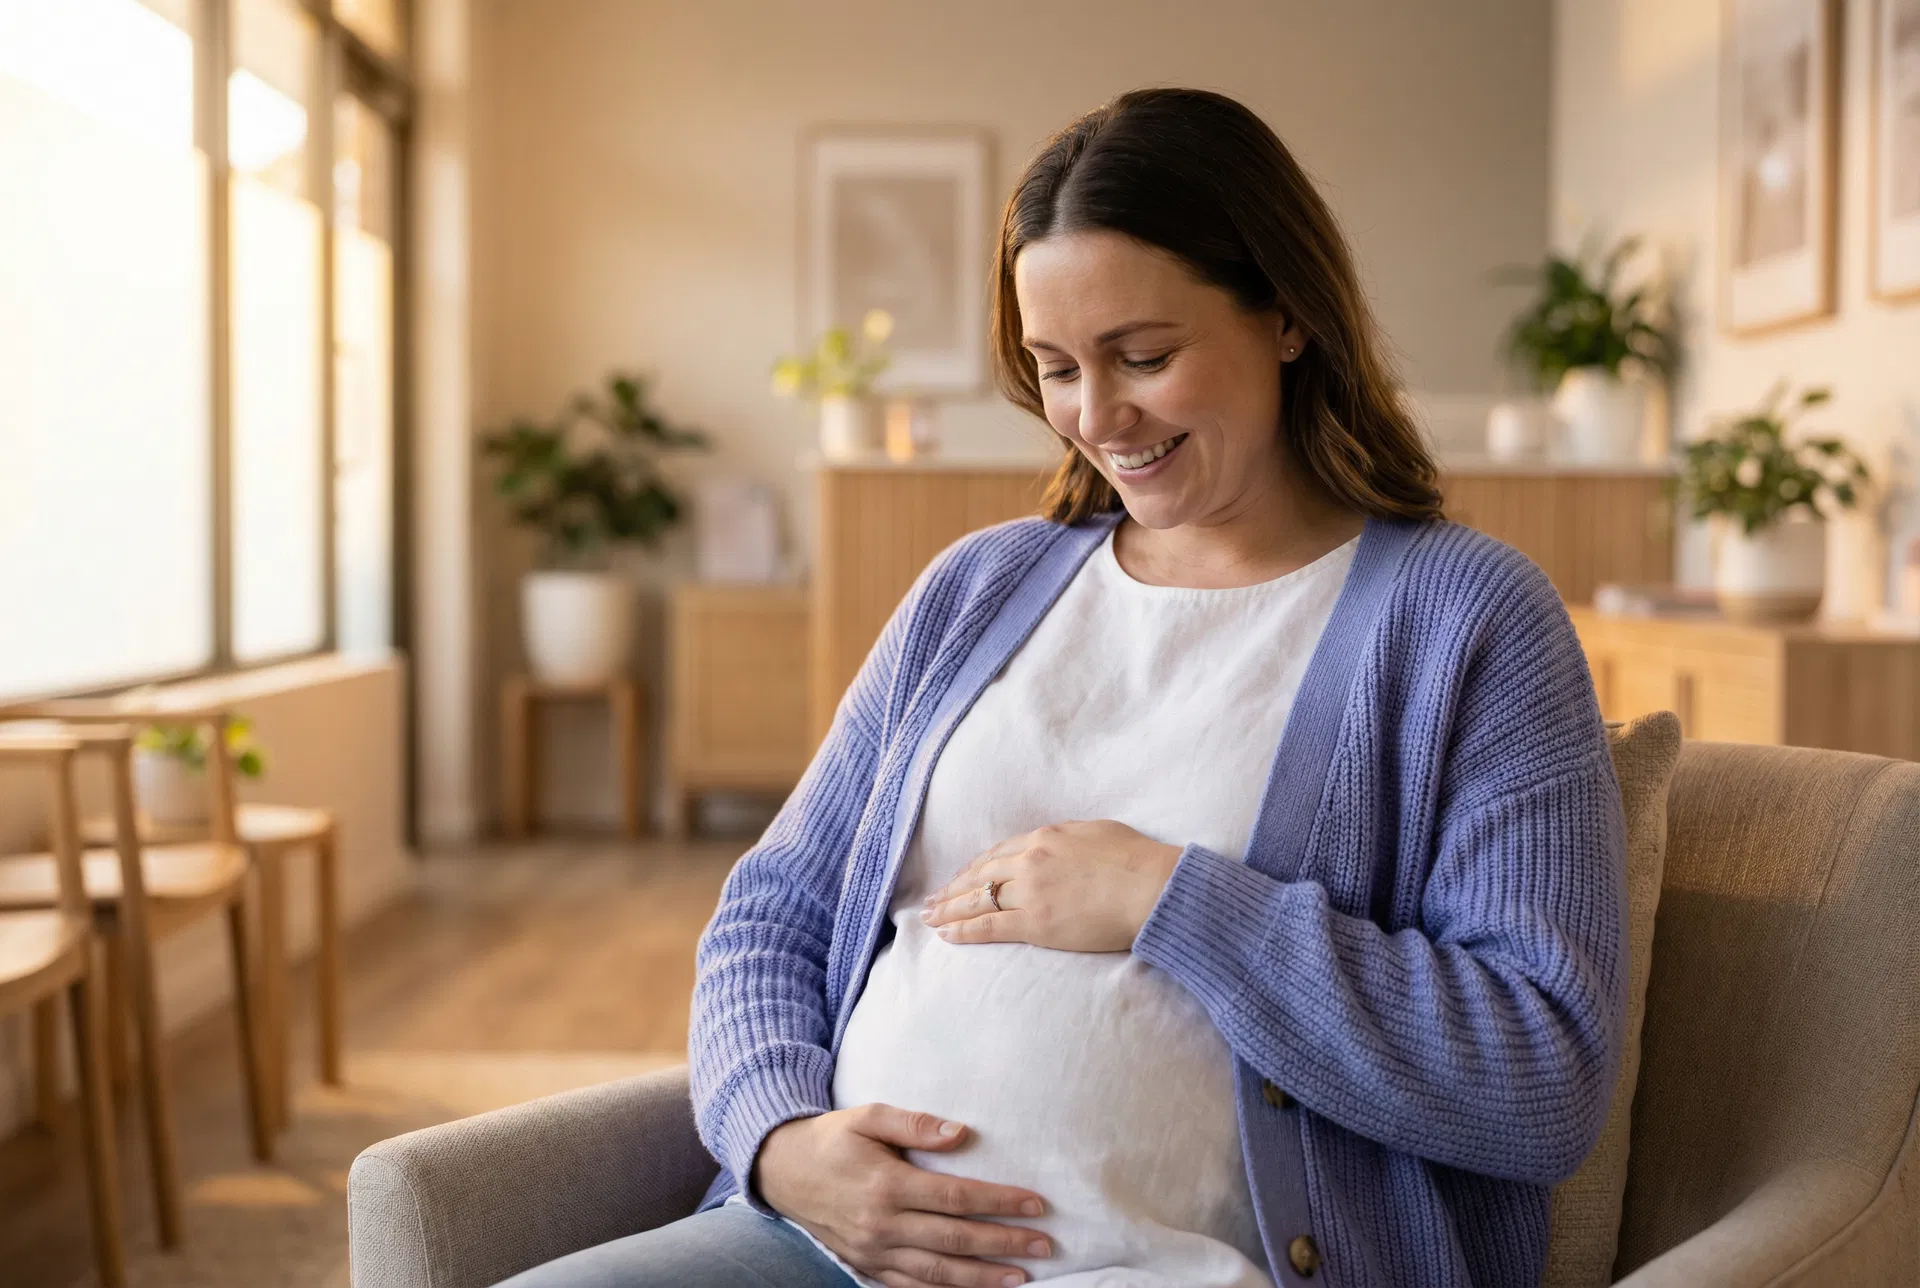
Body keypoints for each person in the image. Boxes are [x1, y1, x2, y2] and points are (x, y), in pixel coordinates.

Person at [500, 87, 1625, 1288]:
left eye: (1145, 356)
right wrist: (780, 1144)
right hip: (815, 1250)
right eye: (1054, 369)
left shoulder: (1467, 618)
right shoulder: (976, 589)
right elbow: (772, 909)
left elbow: (1539, 1074)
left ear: (1288, 316)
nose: (1097, 416)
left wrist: (1173, 901)